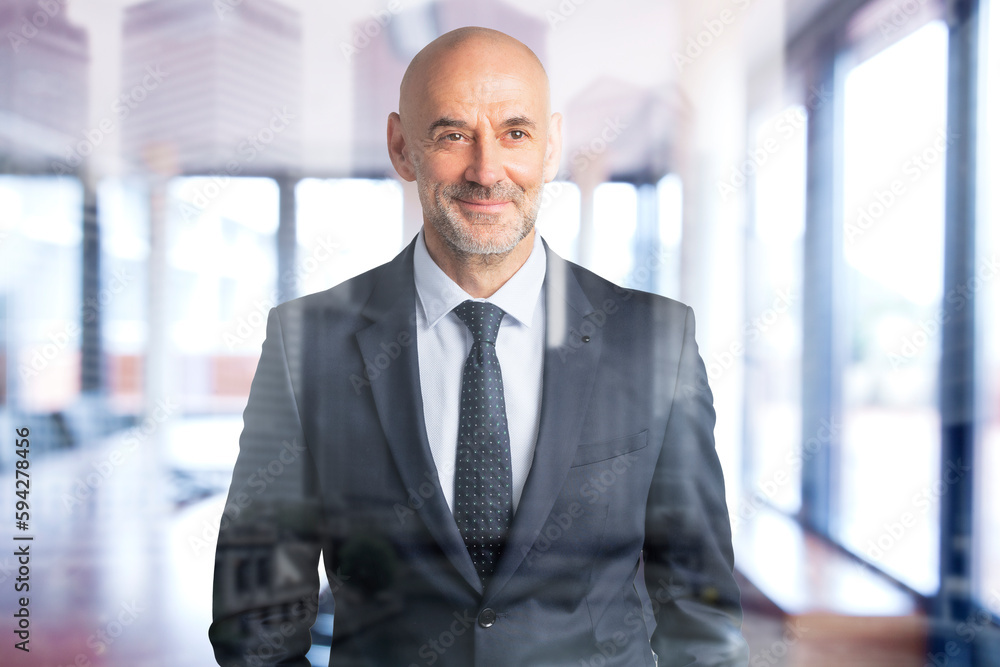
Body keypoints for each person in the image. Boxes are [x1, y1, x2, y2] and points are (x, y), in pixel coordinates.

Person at [209, 26, 748, 667]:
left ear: (549, 148)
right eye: (453, 134)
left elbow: (700, 610)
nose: (487, 170)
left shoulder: (657, 341)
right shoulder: (307, 345)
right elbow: (256, 622)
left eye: (515, 133)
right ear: (401, 147)